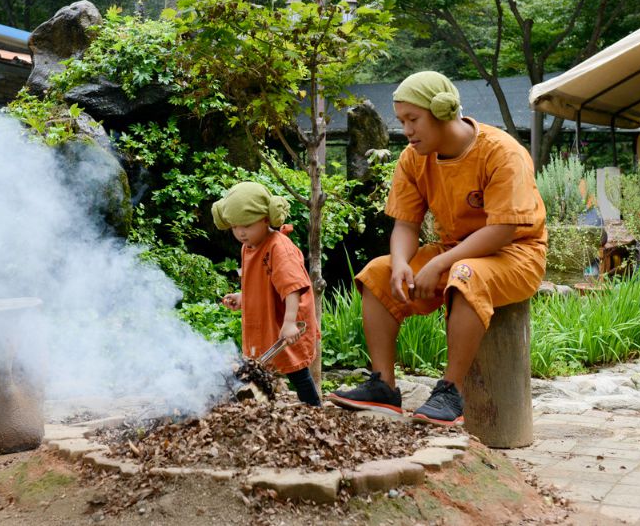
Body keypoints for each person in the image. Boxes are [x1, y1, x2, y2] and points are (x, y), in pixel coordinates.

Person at [327, 71, 546, 425]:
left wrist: (439, 263)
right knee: (377, 274)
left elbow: (503, 230)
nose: (407, 130)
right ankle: (383, 386)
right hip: (453, 251)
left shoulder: (502, 152)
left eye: (413, 120)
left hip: (515, 254)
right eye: (401, 121)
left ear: (442, 111)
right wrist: (401, 263)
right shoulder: (414, 158)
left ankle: (451, 392)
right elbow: (406, 224)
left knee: (464, 273)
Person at [213, 181, 321, 406]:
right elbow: (262, 284)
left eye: (247, 225)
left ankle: (315, 410)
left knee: (296, 370)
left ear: (265, 219)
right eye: (235, 227)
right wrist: (244, 298)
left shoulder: (278, 247)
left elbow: (293, 287)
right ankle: (262, 409)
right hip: (266, 321)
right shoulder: (248, 246)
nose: (241, 232)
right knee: (261, 369)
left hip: (286, 319)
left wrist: (290, 322)